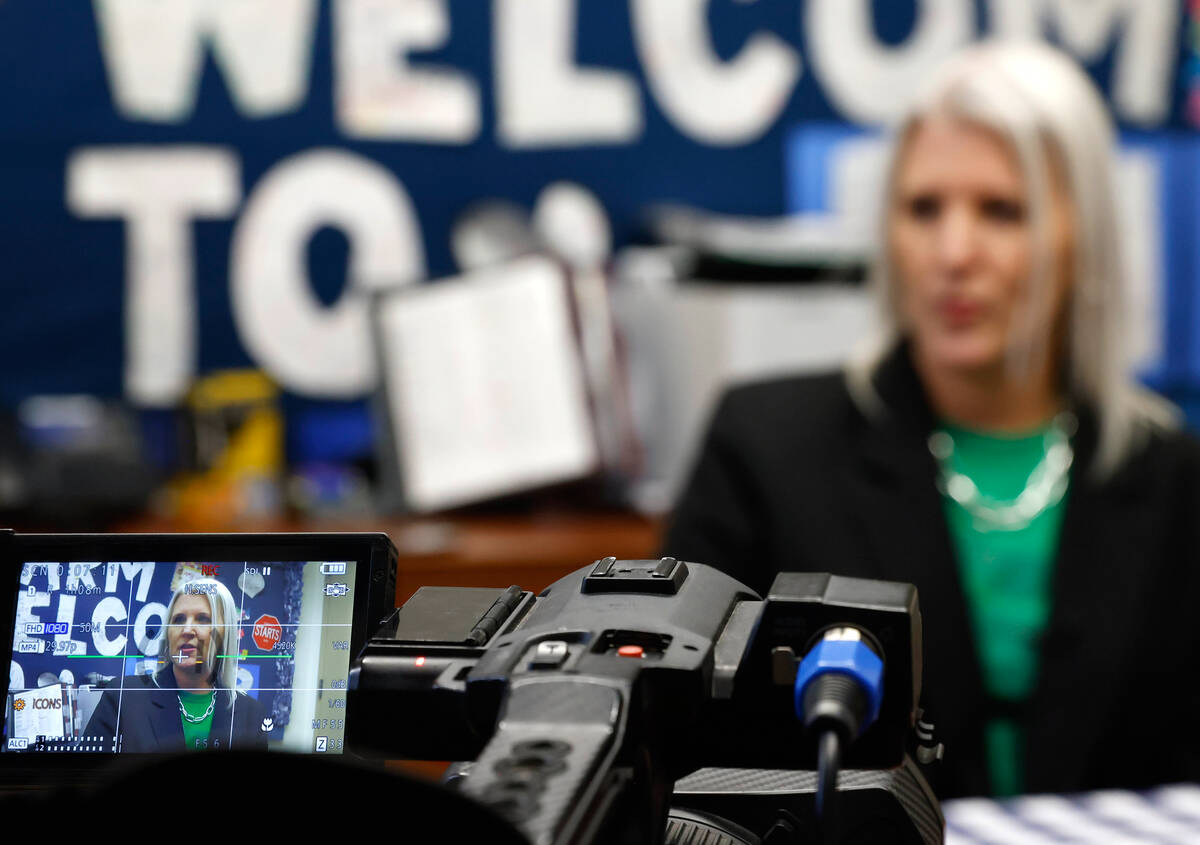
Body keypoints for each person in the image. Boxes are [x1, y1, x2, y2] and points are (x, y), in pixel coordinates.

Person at [662, 41, 1200, 799]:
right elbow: (679, 736)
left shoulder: (1170, 472)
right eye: (923, 208)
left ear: (1084, 238)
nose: (953, 252)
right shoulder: (765, 445)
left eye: (1002, 211)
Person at [85, 577, 267, 752]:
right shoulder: (123, 696)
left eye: (202, 619)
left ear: (225, 633)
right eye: (178, 619)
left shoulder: (251, 714)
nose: (186, 630)